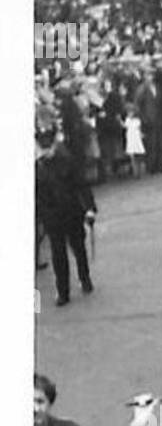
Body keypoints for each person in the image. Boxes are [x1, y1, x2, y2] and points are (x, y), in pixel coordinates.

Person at [35, 124, 95, 308]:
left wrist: (90, 208)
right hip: (51, 216)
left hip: (71, 211)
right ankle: (63, 292)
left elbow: (81, 184)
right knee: (58, 253)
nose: (45, 149)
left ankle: (85, 279)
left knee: (78, 247)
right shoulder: (36, 166)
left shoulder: (66, 159)